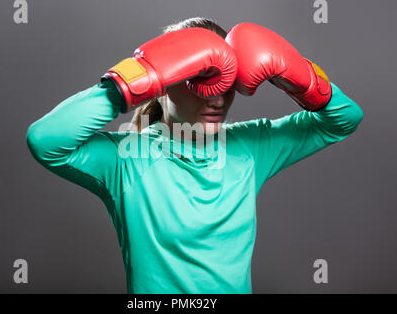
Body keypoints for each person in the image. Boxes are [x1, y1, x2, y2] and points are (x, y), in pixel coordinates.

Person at [26, 17, 363, 294]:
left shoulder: (250, 146)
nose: (217, 99)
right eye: (200, 79)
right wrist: (137, 78)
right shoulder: (128, 158)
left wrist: (298, 77)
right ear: (166, 84)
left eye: (226, 82)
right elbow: (45, 140)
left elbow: (344, 119)